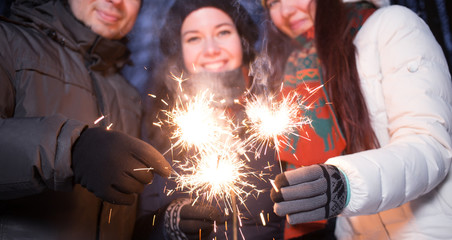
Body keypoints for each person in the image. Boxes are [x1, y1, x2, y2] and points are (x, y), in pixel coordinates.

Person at [260, 0, 452, 239]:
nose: (286, 11)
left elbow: (431, 148)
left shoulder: (392, 25)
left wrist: (346, 185)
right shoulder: (295, 69)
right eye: (273, 2)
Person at [0, 0, 172, 239]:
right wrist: (72, 150)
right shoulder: (7, 44)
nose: (116, 1)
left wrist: (163, 228)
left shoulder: (129, 96)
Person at [133, 0, 285, 239]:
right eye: (194, 38)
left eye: (223, 32)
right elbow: (139, 226)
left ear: (242, 39)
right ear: (179, 51)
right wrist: (169, 223)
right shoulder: (158, 122)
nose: (211, 48)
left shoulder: (278, 108)